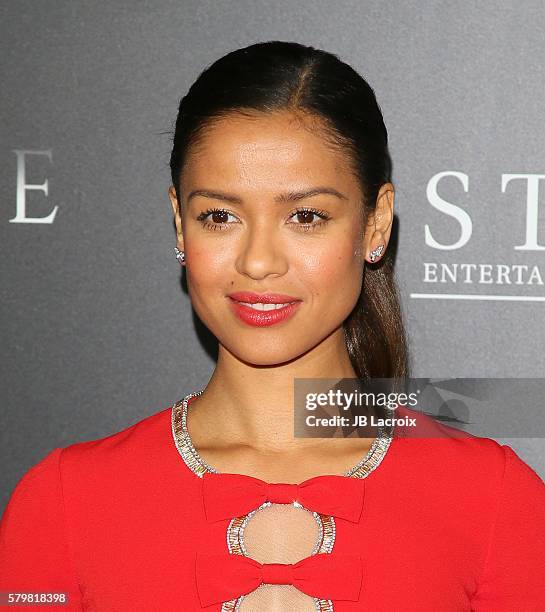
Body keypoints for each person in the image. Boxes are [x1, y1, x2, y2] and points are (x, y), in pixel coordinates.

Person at [1, 40, 544, 611]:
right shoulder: (64, 503)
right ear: (180, 226)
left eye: (305, 216)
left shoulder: (492, 501)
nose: (258, 261)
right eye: (219, 216)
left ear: (375, 223)